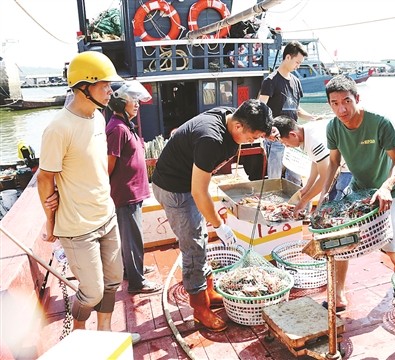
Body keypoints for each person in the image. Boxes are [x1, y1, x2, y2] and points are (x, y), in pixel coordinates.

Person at [36, 51, 139, 341]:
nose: (111, 91)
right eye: (104, 85)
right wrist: (50, 222)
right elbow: (46, 178)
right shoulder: (58, 128)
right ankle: (80, 338)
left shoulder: (97, 116)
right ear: (84, 87)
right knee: (91, 291)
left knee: (113, 281)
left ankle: (104, 333)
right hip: (78, 227)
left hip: (106, 216)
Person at [151, 99, 273, 332]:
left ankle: (207, 290)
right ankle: (199, 310)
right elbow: (199, 191)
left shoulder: (230, 115)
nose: (253, 141)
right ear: (238, 127)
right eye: (252, 137)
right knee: (193, 248)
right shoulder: (212, 139)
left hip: (187, 183)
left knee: (200, 239)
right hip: (175, 189)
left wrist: (268, 131)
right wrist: (220, 226)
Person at [318, 74, 395, 311]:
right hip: (357, 192)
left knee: (393, 250)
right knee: (340, 242)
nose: (341, 109)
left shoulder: (380, 123)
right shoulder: (333, 127)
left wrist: (386, 187)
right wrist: (324, 193)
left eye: (346, 101)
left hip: (387, 193)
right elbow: (334, 163)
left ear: (357, 98)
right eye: (334, 103)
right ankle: (338, 294)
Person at [106, 80, 163, 295]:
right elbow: (109, 164)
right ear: (121, 103)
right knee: (131, 237)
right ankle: (136, 282)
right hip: (126, 193)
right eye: (133, 100)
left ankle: (133, 270)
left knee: (133, 236)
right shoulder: (117, 129)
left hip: (134, 191)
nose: (137, 104)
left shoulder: (126, 125)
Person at [257, 40, 318, 184]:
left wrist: (311, 117)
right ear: (288, 57)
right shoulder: (270, 81)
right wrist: (265, 133)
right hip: (276, 138)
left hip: (294, 138)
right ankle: (274, 205)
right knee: (275, 177)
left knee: (295, 178)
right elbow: (260, 109)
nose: (298, 66)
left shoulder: (296, 81)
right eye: (297, 62)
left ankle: (294, 206)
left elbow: (296, 108)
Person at [272, 115, 351, 218]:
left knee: (338, 209)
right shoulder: (305, 132)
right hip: (339, 164)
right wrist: (307, 186)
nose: (286, 146)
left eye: (285, 142)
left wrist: (303, 201)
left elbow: (325, 178)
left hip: (350, 166)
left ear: (293, 134)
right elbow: (316, 160)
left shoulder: (315, 140)